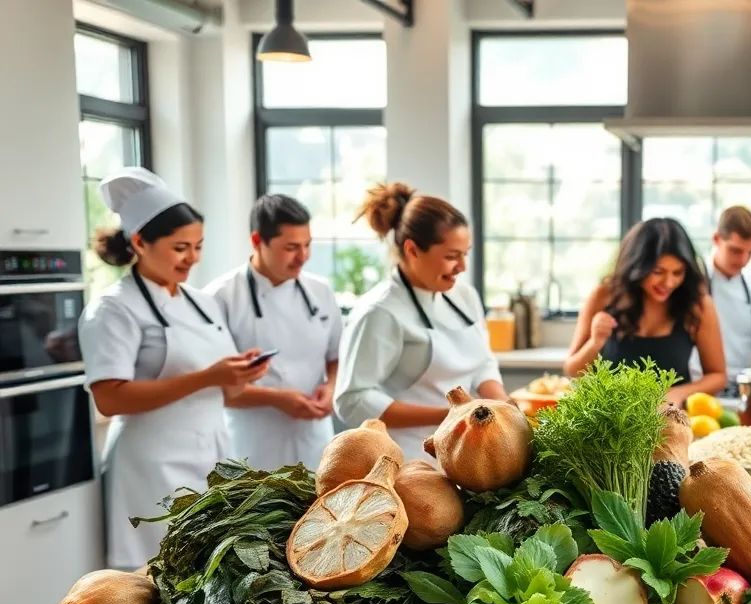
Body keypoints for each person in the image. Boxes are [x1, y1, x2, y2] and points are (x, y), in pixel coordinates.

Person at [78, 168, 270, 570]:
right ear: (140, 242)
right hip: (151, 467)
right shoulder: (113, 308)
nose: (193, 259)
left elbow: (221, 389)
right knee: (152, 581)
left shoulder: (202, 302)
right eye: (181, 247)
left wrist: (238, 375)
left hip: (211, 456)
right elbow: (109, 397)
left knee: (207, 576)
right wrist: (209, 377)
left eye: (198, 246)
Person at [334, 182, 506, 461]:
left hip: (466, 454)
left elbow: (481, 362)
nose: (462, 267)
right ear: (412, 250)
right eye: (451, 256)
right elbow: (352, 400)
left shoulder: (464, 296)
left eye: (465, 254)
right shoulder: (379, 311)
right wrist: (452, 414)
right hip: (408, 459)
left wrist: (502, 403)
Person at [205, 194, 343, 470]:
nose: (302, 257)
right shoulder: (219, 297)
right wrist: (277, 399)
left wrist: (330, 388)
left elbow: (336, 356)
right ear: (257, 241)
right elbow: (216, 384)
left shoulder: (320, 291)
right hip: (250, 444)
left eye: (307, 245)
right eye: (291, 247)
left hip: (315, 439)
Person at [564, 218, 727, 404]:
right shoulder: (603, 296)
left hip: (669, 421)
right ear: (636, 267)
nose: (669, 283)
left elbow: (718, 376)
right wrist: (595, 342)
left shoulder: (698, 306)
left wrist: (680, 392)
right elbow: (572, 370)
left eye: (678, 272)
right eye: (658, 272)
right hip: (609, 421)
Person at [706, 206, 751, 377]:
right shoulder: (695, 280)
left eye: (750, 252)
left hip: (742, 385)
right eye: (735, 251)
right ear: (717, 239)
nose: (743, 260)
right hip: (699, 383)